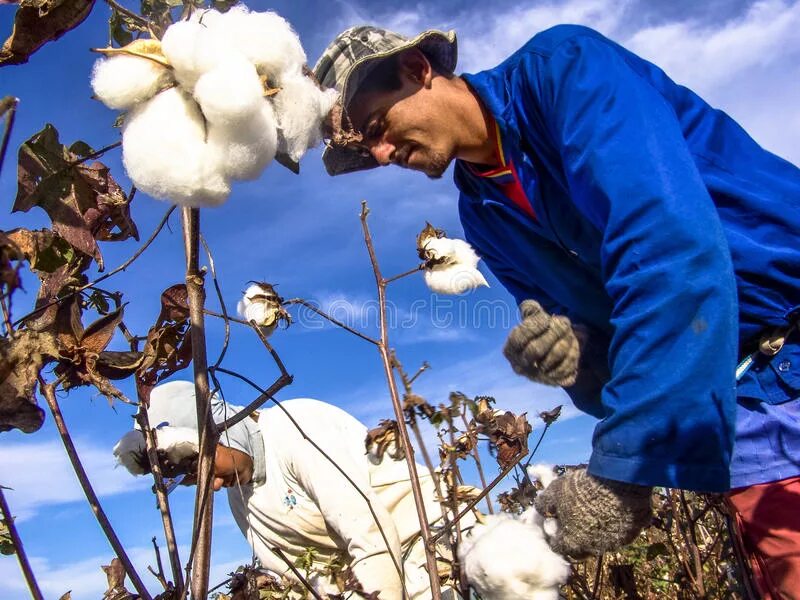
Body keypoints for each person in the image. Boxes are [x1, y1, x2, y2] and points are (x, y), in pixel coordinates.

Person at [313, 24, 800, 598]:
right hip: (747, 409)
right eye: (366, 154)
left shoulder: (564, 73)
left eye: (376, 129)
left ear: (418, 69)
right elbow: (615, 344)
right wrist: (581, 358)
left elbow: (670, 253)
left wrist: (625, 468)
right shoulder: (485, 218)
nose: (382, 154)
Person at [113, 380, 460, 599]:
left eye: (201, 467)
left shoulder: (296, 426)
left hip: (436, 548)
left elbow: (370, 534)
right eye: (191, 480)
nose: (209, 484)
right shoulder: (241, 502)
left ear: (221, 430)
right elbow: (301, 577)